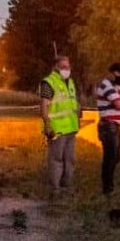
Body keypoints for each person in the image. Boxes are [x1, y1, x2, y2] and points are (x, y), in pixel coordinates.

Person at [39, 56, 80, 196]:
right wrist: (47, 125)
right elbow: (44, 105)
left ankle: (67, 186)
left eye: (68, 67)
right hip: (57, 129)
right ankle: (55, 189)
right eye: (63, 67)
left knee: (70, 159)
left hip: (71, 128)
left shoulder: (70, 82)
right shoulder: (49, 82)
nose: (66, 70)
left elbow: (71, 103)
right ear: (55, 67)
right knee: (57, 159)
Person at [95, 62, 120, 195]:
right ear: (113, 72)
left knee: (115, 157)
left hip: (115, 125)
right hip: (109, 125)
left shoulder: (116, 86)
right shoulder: (106, 85)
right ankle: (107, 188)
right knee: (110, 157)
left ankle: (109, 185)